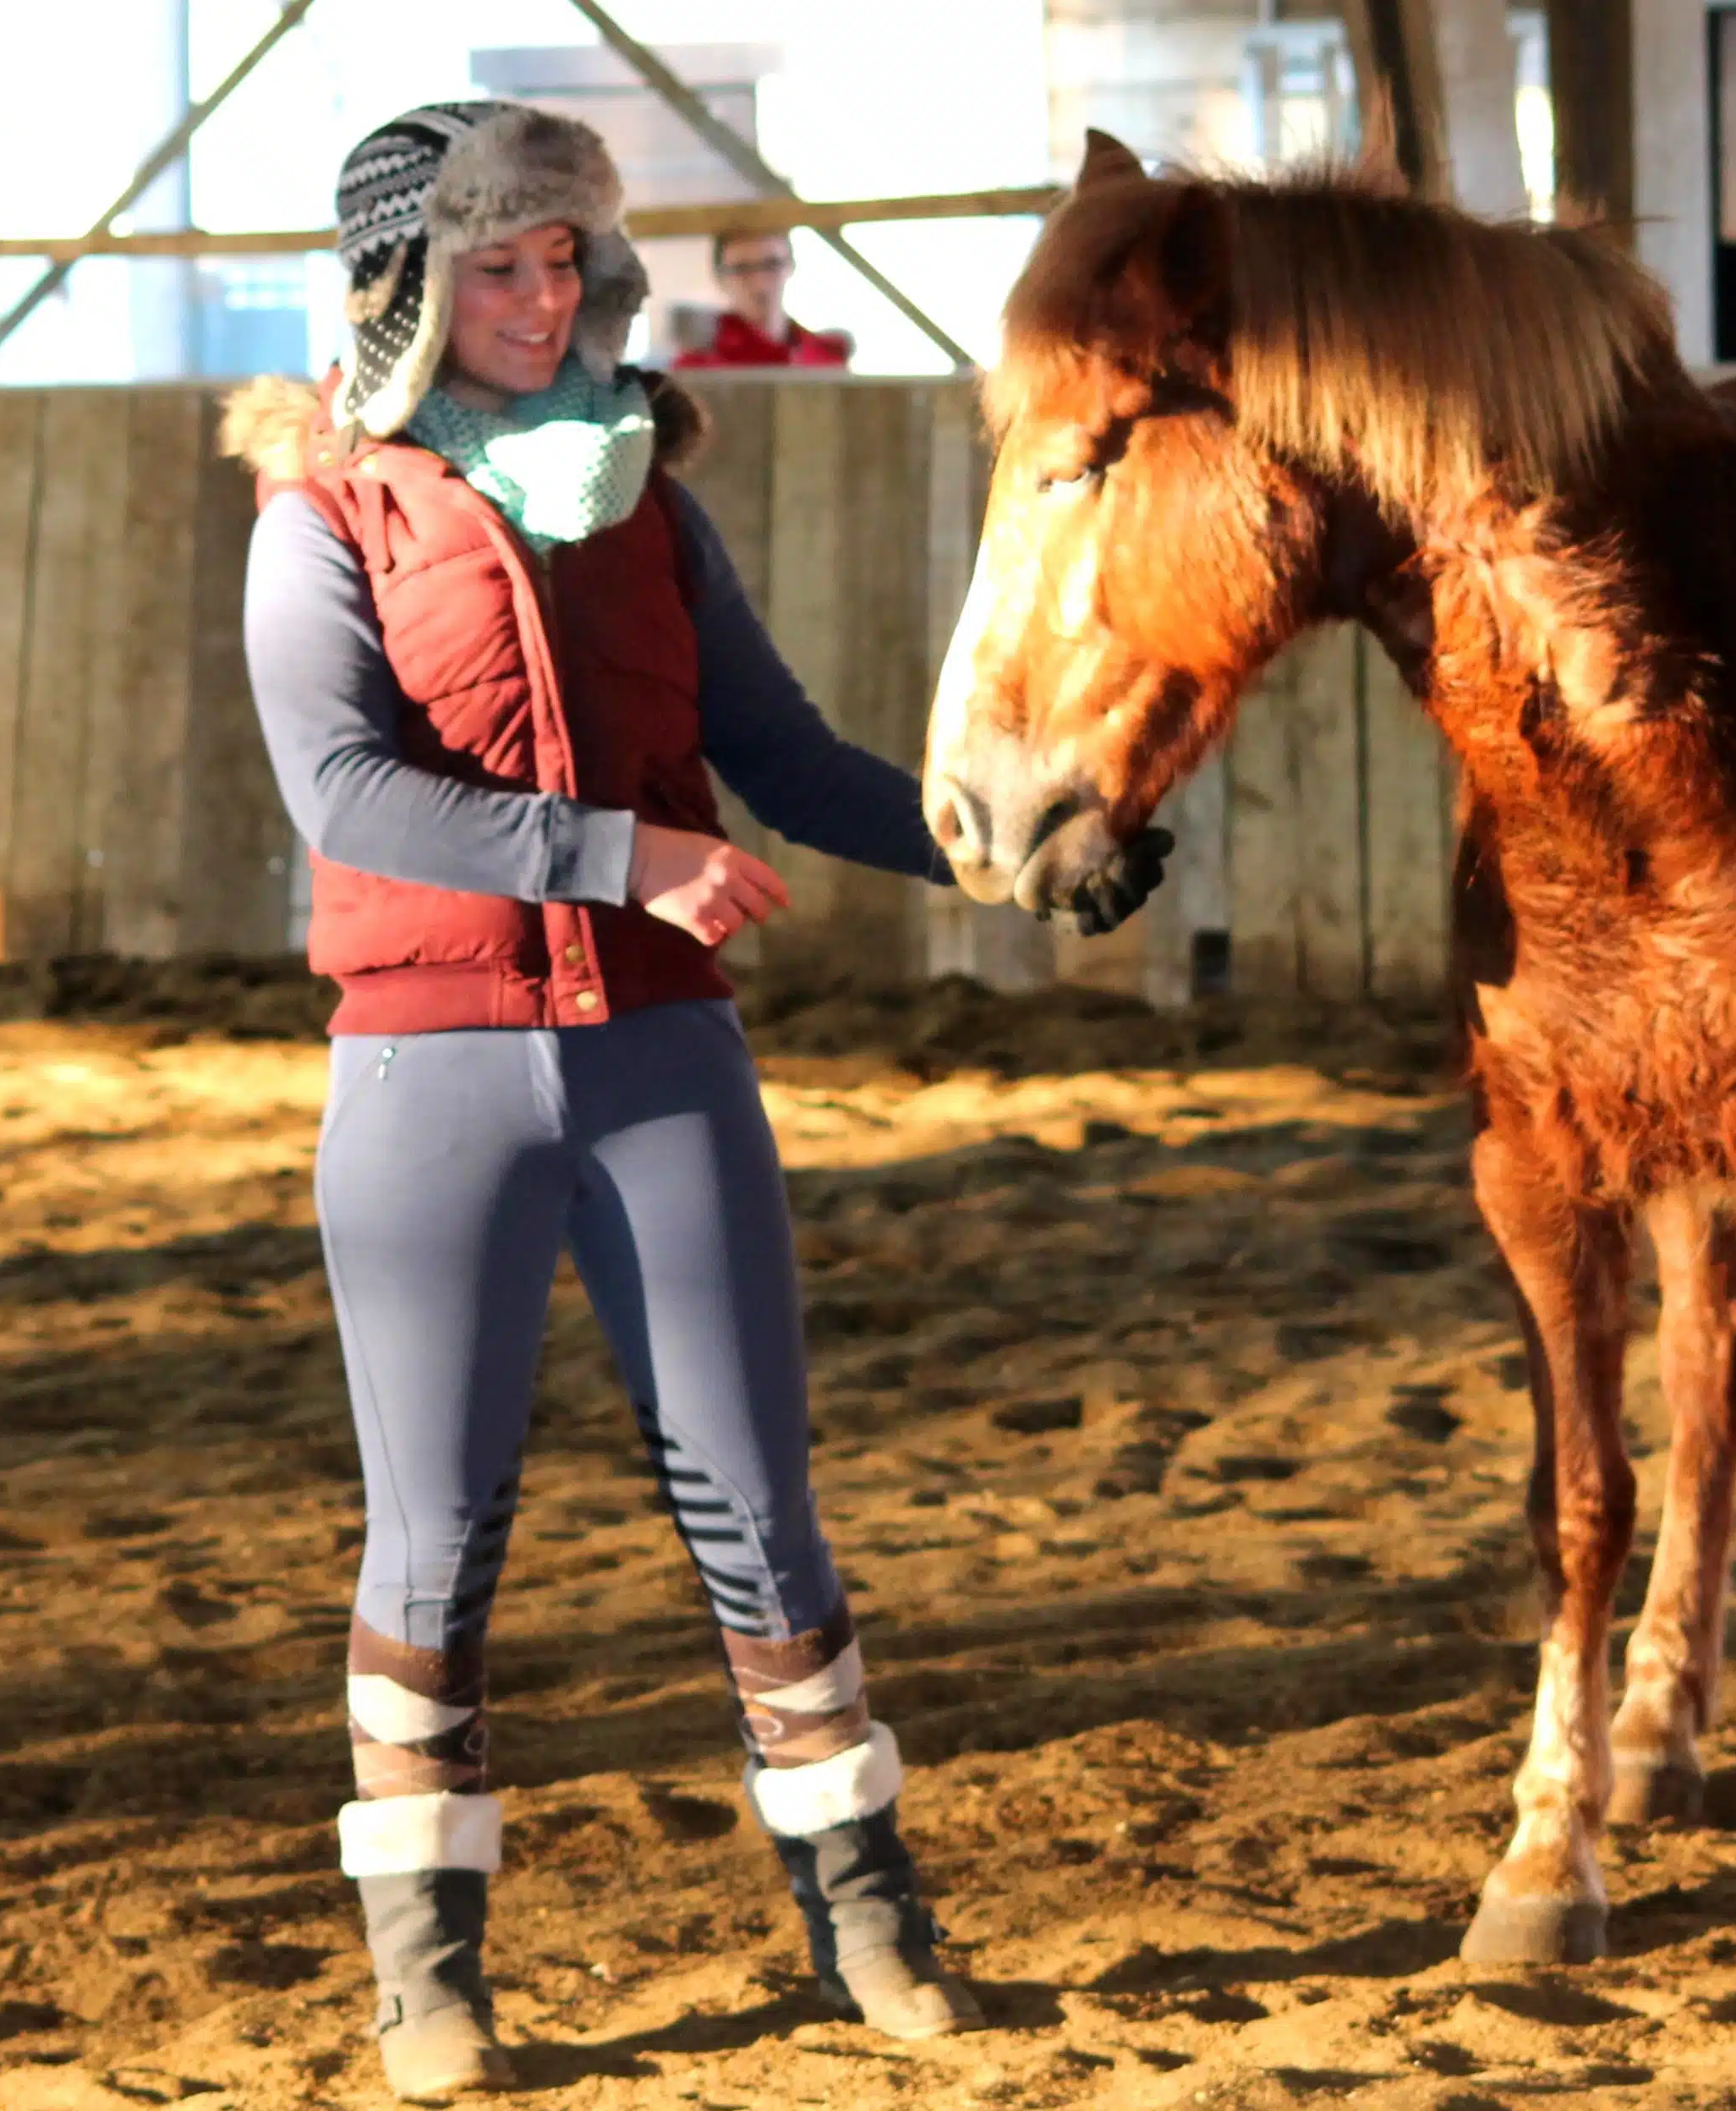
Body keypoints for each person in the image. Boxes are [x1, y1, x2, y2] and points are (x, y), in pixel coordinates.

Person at [222, 102, 1164, 2103]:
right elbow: (343, 792)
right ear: (405, 287)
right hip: (426, 1065)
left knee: (756, 1504)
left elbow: (787, 754)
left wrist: (999, 843)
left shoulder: (647, 494)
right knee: (434, 1539)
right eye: (500, 265)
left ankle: (875, 1922)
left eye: (566, 258)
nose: (545, 295)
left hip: (662, 1062)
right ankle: (428, 1981)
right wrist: (616, 857)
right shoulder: (322, 511)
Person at [672, 227, 852, 370]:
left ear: (791, 265)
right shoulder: (697, 368)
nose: (760, 284)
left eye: (771, 264)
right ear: (720, 278)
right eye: (741, 269)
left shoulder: (827, 359)